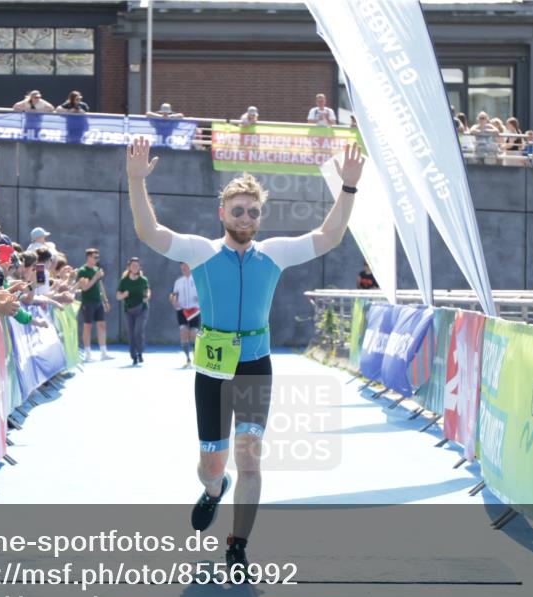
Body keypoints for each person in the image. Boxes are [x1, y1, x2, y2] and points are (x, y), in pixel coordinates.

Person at [126, 136, 365, 569]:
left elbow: (328, 236)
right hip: (213, 369)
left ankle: (237, 545)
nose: (245, 217)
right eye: (237, 210)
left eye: (253, 211)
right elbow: (149, 232)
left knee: (250, 454)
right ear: (223, 213)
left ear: (260, 216)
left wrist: (348, 188)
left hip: (255, 365)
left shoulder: (273, 254)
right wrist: (135, 180)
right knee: (212, 463)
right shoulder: (201, 252)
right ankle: (213, 489)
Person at [73, 248, 112, 361]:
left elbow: (100, 285)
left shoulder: (96, 269)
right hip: (88, 302)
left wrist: (105, 300)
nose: (97, 259)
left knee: (102, 325)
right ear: (89, 257)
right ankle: (88, 354)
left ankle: (104, 352)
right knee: (88, 326)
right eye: (95, 257)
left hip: (98, 301)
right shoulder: (83, 270)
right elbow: (84, 288)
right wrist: (95, 277)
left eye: (97, 257)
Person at [117, 257, 151, 366]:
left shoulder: (143, 280)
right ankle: (134, 356)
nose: (135, 267)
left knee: (138, 331)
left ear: (139, 267)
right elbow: (118, 296)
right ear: (129, 267)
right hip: (129, 310)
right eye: (133, 265)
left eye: (137, 265)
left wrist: (147, 296)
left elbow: (148, 290)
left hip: (142, 309)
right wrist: (123, 295)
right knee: (131, 334)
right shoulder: (124, 281)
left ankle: (140, 352)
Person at [170, 261, 200, 368]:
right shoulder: (178, 281)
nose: (184, 268)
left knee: (194, 334)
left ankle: (197, 357)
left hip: (195, 310)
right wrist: (174, 301)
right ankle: (188, 359)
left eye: (186, 266)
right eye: (182, 266)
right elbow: (173, 294)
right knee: (183, 332)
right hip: (181, 310)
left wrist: (200, 299)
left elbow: (204, 293)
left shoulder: (197, 279)